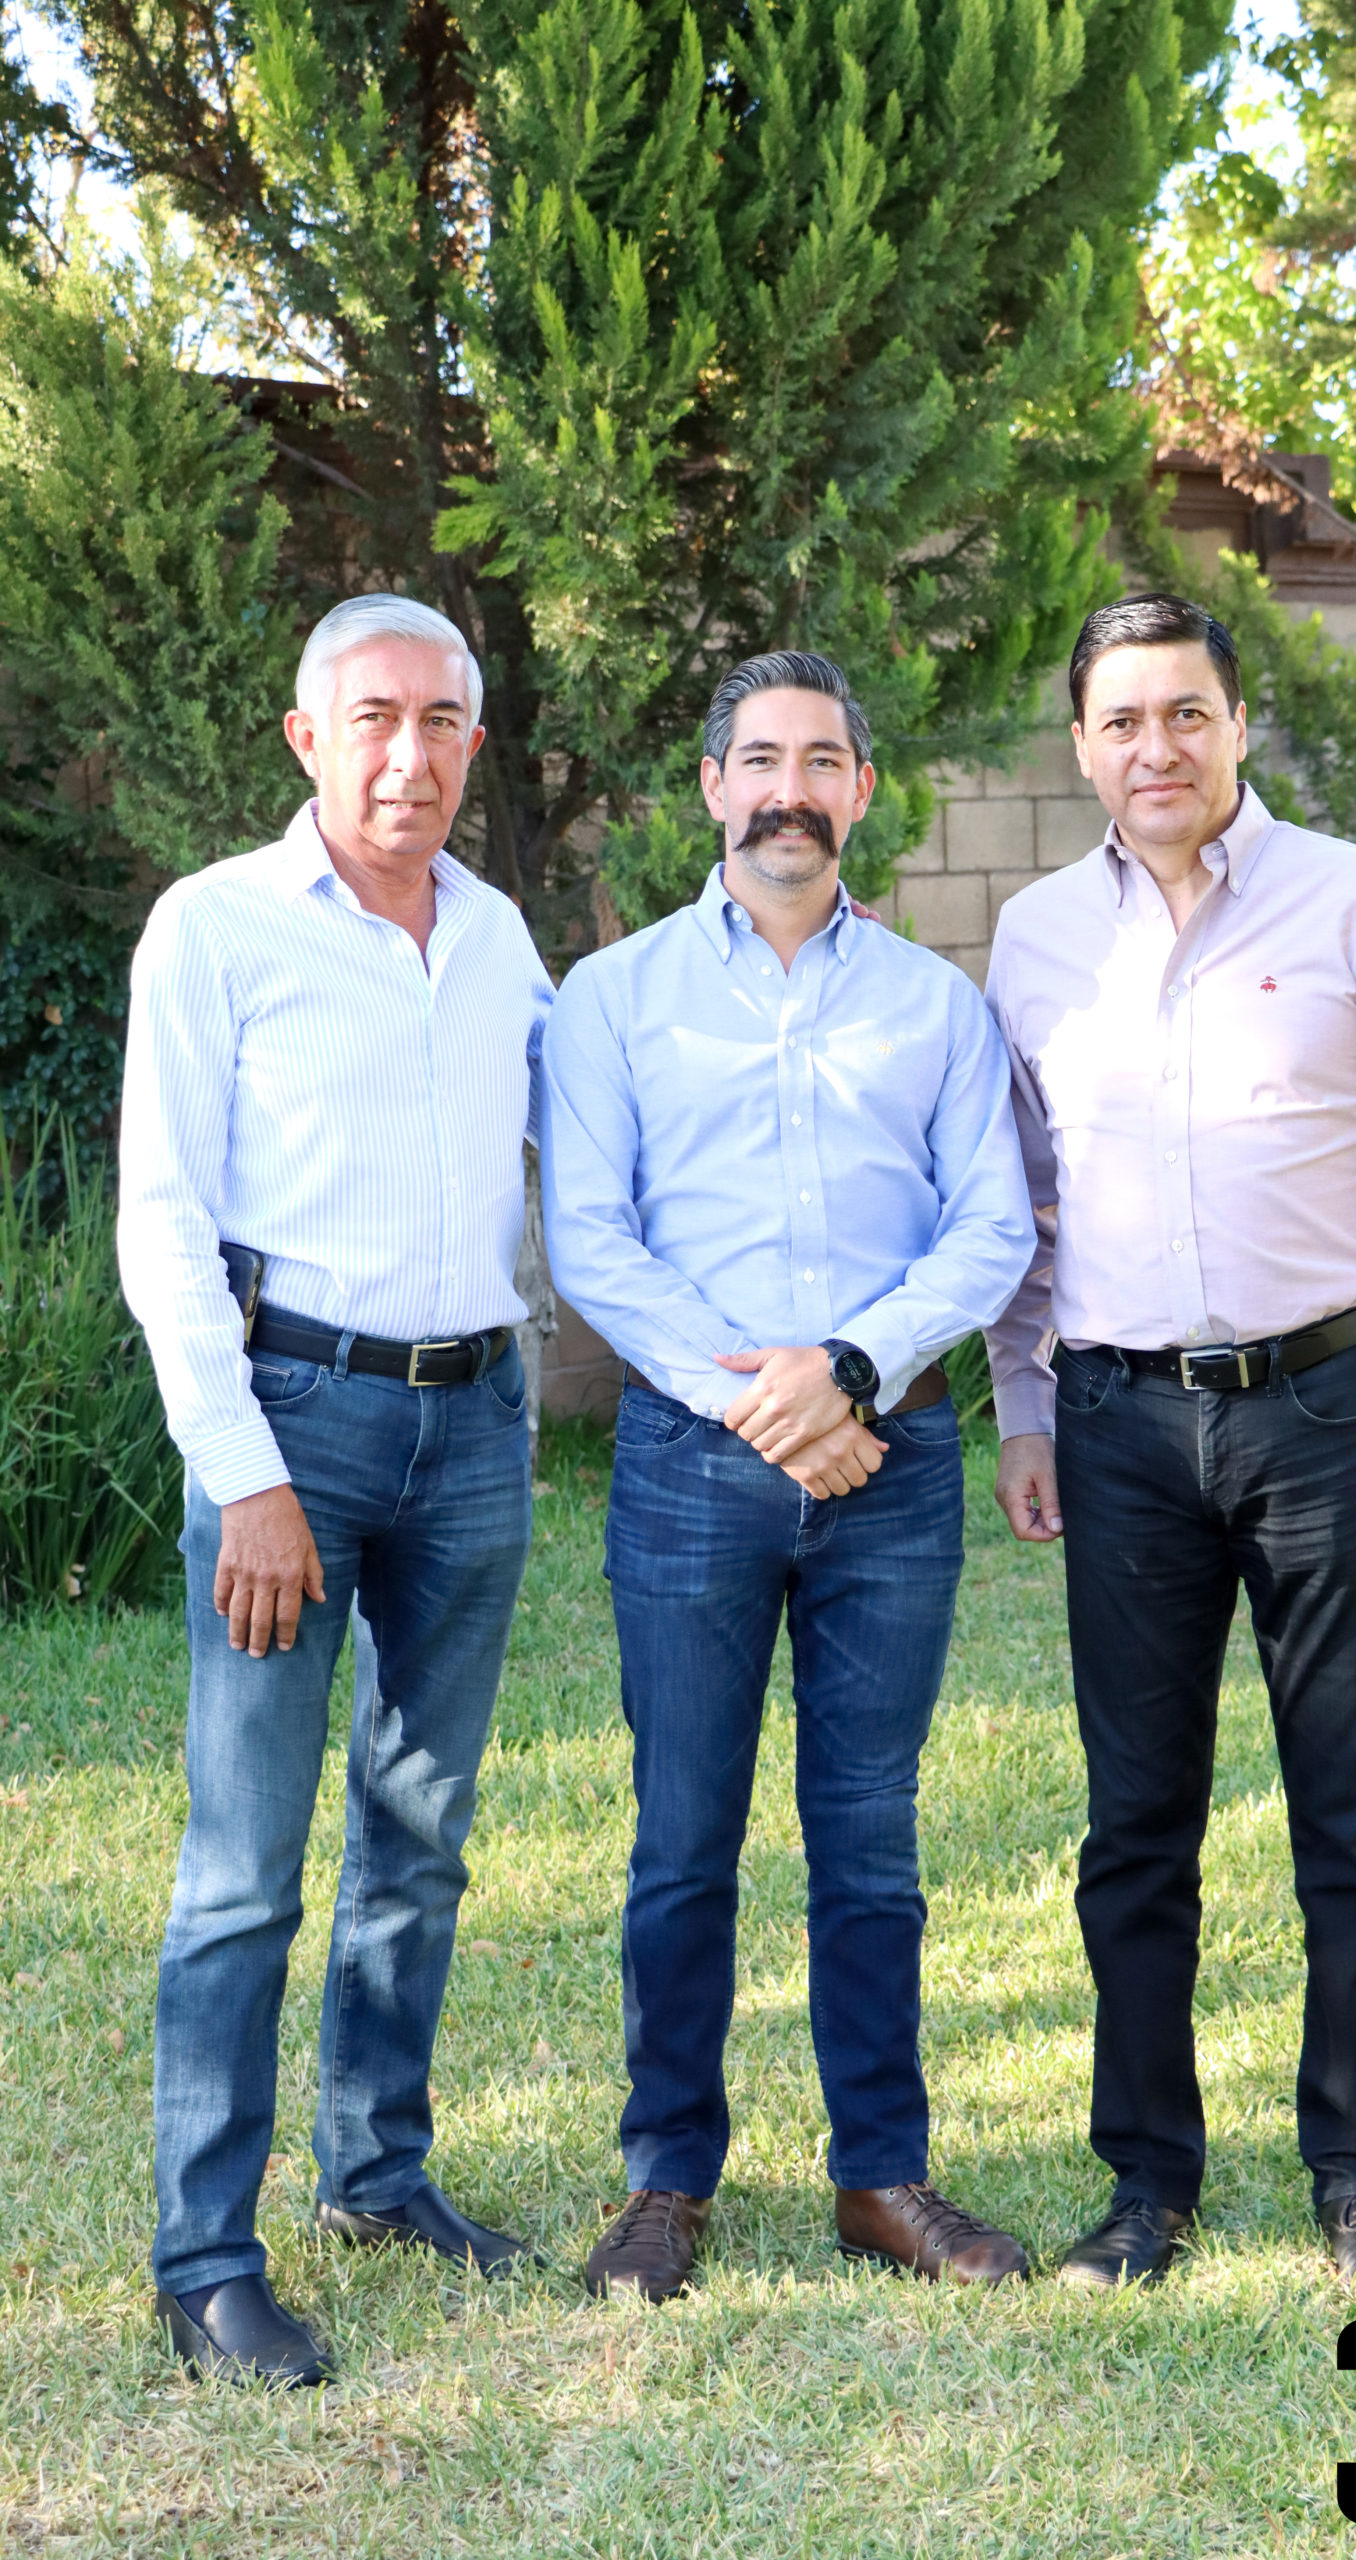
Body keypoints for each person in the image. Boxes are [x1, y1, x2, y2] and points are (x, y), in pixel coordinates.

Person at [985, 594, 1356, 2298]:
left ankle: (1355, 2174)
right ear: (1081, 746)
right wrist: (1025, 1407)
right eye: (1123, 721)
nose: (1157, 749)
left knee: (1351, 1818)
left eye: (1187, 714)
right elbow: (1028, 1209)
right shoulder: (1037, 935)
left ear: (1235, 724)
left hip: (1331, 1414)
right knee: (1137, 1828)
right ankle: (1145, 2186)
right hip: (1123, 1422)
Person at [540, 650, 1036, 2301]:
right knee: (683, 1838)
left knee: (869, 1842)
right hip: (694, 1467)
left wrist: (851, 1372)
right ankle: (667, 2181)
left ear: (862, 794)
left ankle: (880, 2179)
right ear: (710, 786)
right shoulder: (611, 999)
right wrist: (760, 1401)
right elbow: (590, 1240)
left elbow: (992, 1228)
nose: (789, 790)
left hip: (889, 1467)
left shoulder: (936, 1006)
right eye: (760, 759)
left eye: (822, 761)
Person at [118, 595, 555, 2385]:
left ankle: (379, 2175)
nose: (411, 752)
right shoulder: (215, 928)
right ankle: (204, 2253)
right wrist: (251, 1477)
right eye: (375, 716)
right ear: (308, 737)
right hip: (294, 1419)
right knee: (243, 1867)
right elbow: (160, 1223)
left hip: (479, 1425)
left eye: (443, 720)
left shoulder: (504, 933)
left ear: (473, 741)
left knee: (419, 1836)